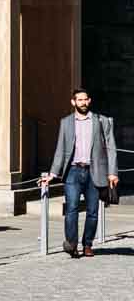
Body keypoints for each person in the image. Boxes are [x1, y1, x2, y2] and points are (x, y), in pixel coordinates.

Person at [40, 87, 119, 258]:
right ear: (73, 102)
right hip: (73, 172)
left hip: (94, 171)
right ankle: (72, 244)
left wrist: (112, 172)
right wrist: (53, 174)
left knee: (92, 211)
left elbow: (111, 147)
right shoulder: (66, 122)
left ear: (89, 101)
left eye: (86, 99)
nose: (83, 103)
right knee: (71, 209)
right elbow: (60, 149)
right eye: (80, 100)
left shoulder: (101, 121)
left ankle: (88, 244)